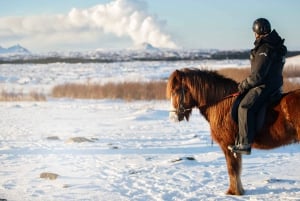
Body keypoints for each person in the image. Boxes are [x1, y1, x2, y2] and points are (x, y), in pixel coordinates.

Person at [228, 18, 287, 155]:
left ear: (257, 32)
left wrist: (243, 85)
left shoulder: (265, 48)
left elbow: (257, 76)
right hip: (275, 84)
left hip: (265, 86)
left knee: (244, 107)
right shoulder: (275, 44)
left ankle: (244, 143)